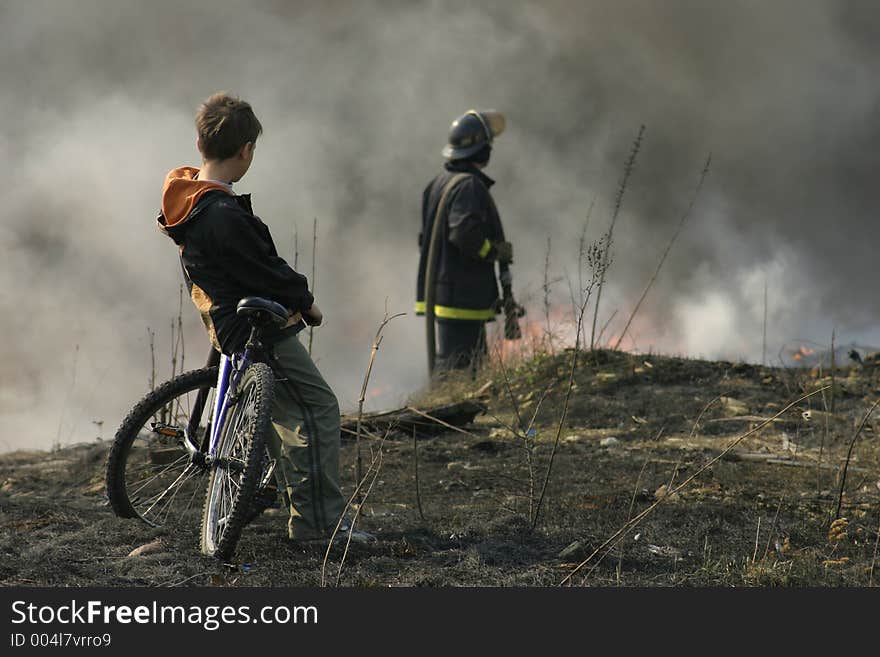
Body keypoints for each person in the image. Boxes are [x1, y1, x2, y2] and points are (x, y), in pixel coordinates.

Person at [157, 92, 373, 544]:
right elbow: (263, 270)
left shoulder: (188, 197)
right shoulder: (222, 214)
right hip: (253, 325)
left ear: (199, 144)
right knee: (318, 407)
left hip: (222, 318)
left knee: (283, 411)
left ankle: (291, 499)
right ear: (246, 151)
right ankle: (318, 525)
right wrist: (305, 300)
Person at [416, 109, 519, 376]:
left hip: (443, 291)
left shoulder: (438, 183)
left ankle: (455, 412)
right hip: (460, 294)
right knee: (460, 369)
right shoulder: (469, 186)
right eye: (488, 145)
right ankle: (448, 415)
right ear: (480, 150)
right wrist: (493, 251)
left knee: (458, 363)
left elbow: (426, 239)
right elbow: (463, 233)